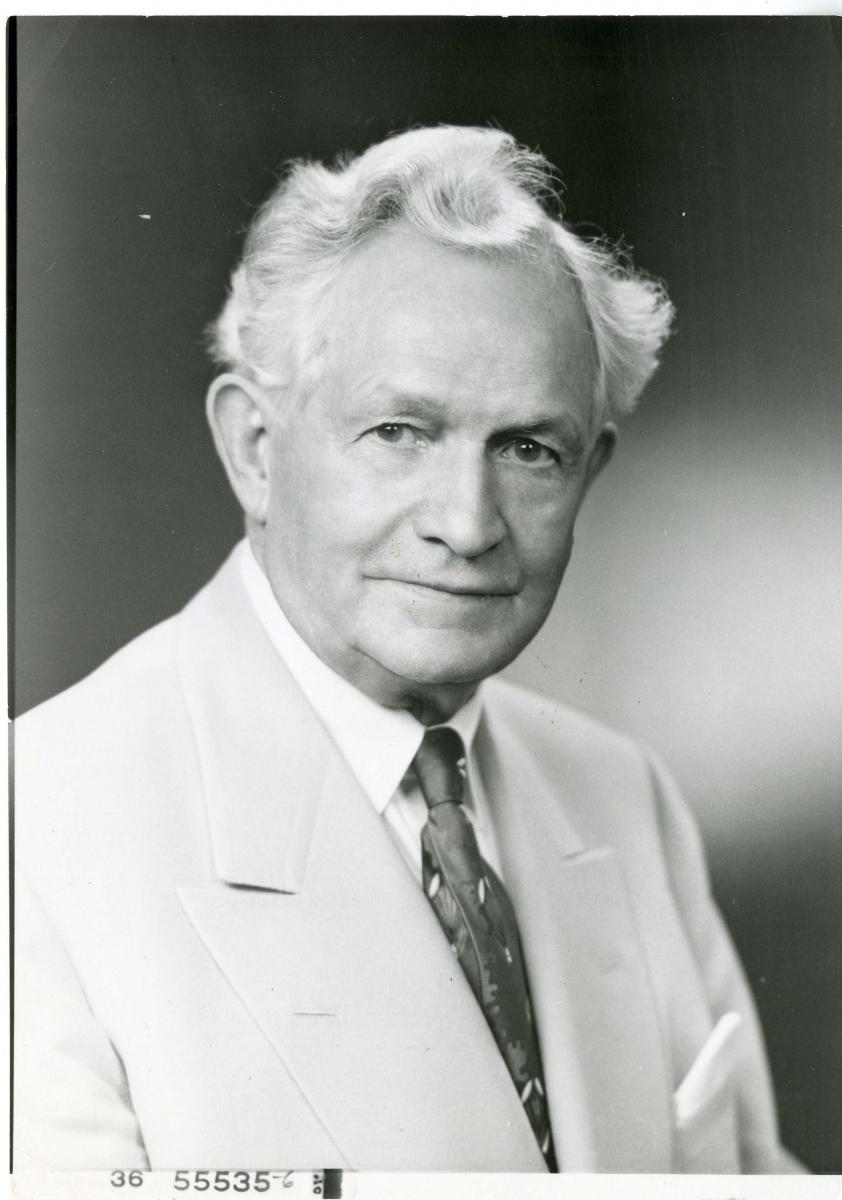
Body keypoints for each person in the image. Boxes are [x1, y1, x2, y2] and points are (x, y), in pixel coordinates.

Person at [14, 126, 797, 1174]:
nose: (467, 524)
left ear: (590, 474)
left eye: (529, 450)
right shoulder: (39, 826)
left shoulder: (624, 796)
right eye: (399, 433)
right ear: (254, 448)